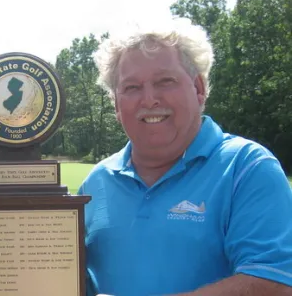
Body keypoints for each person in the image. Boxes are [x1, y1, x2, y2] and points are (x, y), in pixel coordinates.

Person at [78, 17, 292, 296]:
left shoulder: (246, 168)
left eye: (165, 81)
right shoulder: (97, 183)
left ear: (199, 89)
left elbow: (274, 284)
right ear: (117, 105)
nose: (149, 99)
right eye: (131, 87)